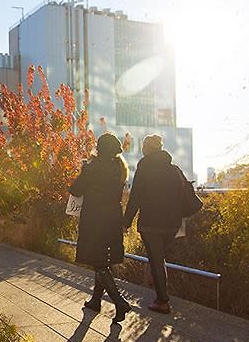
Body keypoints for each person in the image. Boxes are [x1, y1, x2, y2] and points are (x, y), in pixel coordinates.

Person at [69, 132, 132, 323]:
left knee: (99, 263)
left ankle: (120, 302)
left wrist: (83, 170)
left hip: (95, 219)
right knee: (103, 259)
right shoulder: (120, 168)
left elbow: (75, 189)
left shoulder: (92, 168)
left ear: (100, 148)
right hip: (112, 218)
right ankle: (96, 301)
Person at [122, 134, 185, 314]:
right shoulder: (173, 169)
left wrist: (126, 222)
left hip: (152, 222)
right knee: (159, 259)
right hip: (172, 223)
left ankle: (163, 301)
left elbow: (136, 196)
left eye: (143, 146)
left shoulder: (145, 165)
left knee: (156, 260)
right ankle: (159, 292)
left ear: (147, 148)